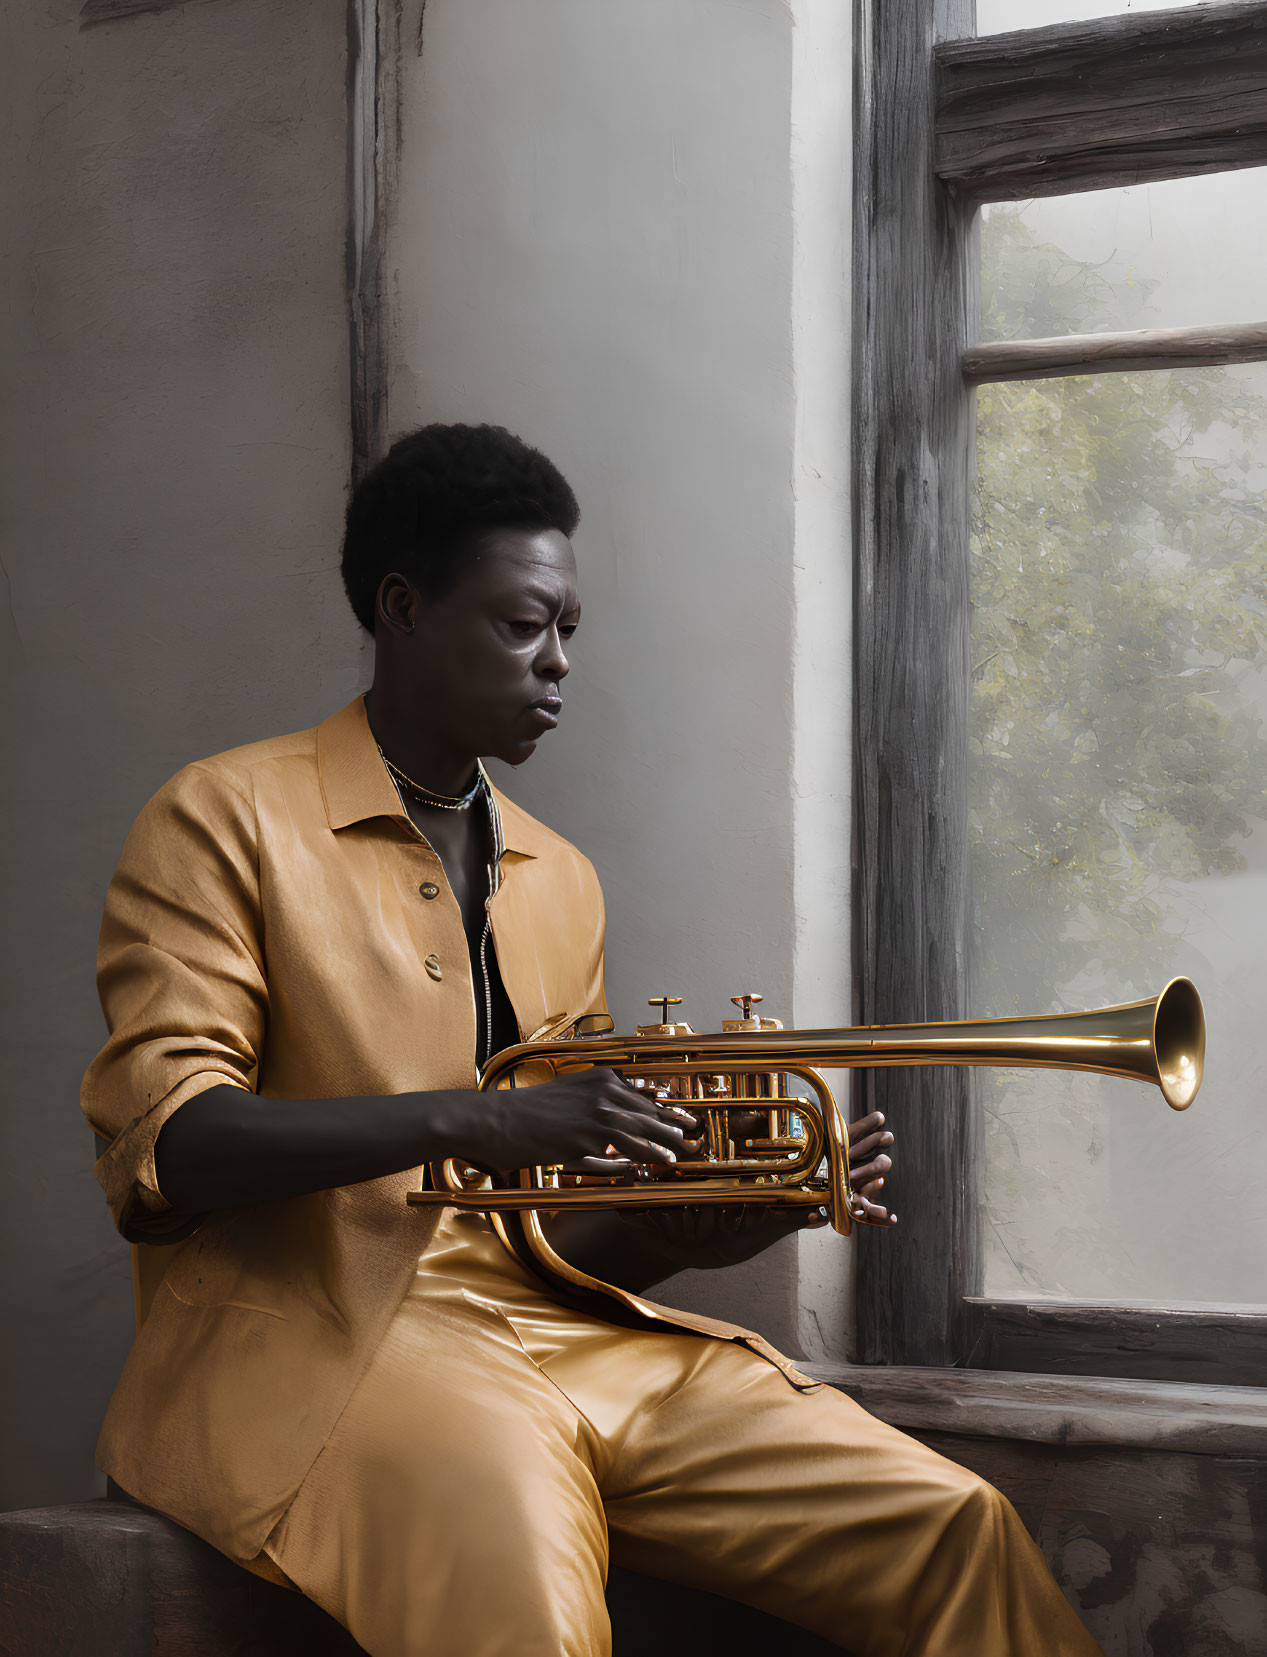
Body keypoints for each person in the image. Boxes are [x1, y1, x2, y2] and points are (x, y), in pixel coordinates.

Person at [82, 423, 1103, 1657]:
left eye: (569, 629)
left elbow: (550, 1229)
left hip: (563, 1337)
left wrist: (696, 1223)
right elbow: (169, 1149)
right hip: (322, 1353)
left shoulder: (558, 874)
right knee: (532, 1618)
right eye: (522, 626)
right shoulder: (220, 816)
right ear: (403, 610)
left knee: (953, 1523)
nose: (558, 663)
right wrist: (477, 1115)